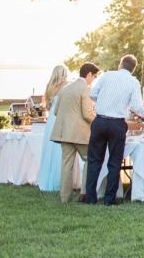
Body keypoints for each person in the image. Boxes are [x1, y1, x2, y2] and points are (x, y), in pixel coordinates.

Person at [86, 54, 144, 205]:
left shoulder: (106, 75)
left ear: (120, 64)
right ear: (133, 68)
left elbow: (92, 93)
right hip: (117, 124)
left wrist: (104, 102)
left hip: (100, 121)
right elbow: (137, 106)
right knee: (114, 162)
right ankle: (109, 199)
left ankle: (90, 198)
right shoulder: (133, 81)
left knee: (94, 161)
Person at [50, 62, 98, 203]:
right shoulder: (86, 89)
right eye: (94, 76)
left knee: (66, 165)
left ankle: (64, 198)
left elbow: (57, 111)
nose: (94, 79)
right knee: (89, 160)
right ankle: (84, 193)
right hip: (81, 134)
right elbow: (88, 114)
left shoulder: (65, 89)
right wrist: (99, 122)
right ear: (89, 74)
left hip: (65, 134)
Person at [36, 64, 69, 191]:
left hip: (51, 121)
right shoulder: (66, 86)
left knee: (50, 150)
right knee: (60, 151)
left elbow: (48, 107)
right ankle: (59, 181)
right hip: (61, 119)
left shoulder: (49, 87)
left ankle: (47, 179)